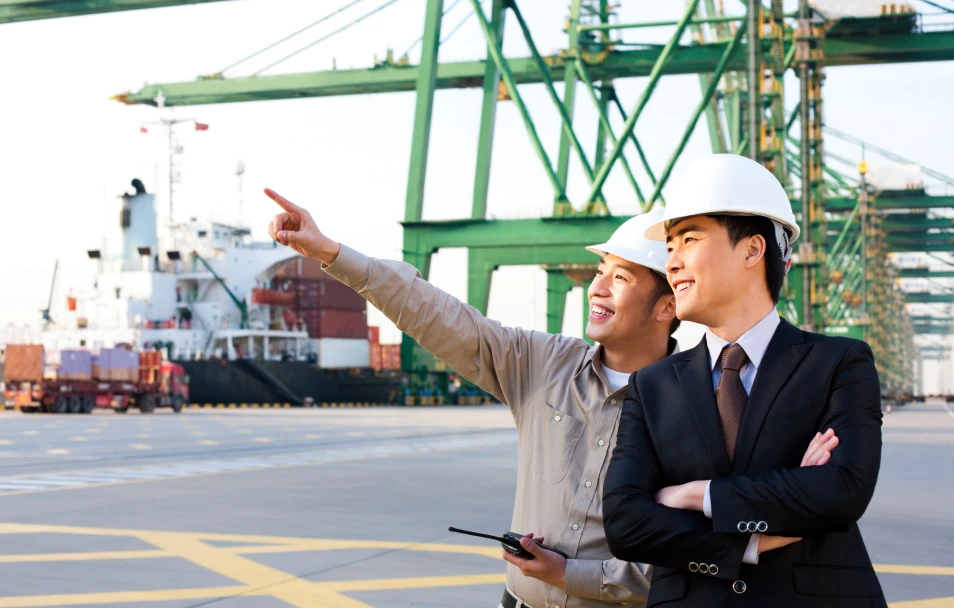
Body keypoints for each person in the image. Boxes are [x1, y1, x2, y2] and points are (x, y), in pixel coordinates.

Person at [263, 188, 677, 608]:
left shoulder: (695, 409)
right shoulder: (544, 364)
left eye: (620, 278)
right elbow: (440, 316)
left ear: (667, 306)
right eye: (600, 271)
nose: (597, 288)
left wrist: (569, 574)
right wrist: (332, 253)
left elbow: (685, 560)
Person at [602, 154, 885, 607]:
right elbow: (625, 524)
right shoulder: (651, 386)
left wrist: (696, 495)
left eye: (688, 239)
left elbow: (842, 491)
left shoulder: (840, 362)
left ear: (753, 250)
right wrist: (753, 538)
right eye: (670, 245)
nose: (670, 262)